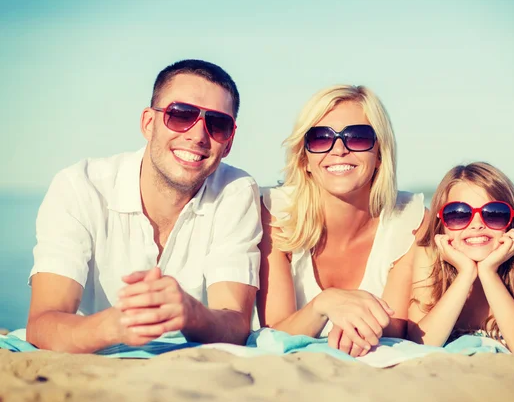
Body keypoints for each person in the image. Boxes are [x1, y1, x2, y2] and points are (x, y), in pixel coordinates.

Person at [26, 59, 262, 353]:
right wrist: (115, 325)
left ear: (228, 142)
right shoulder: (80, 186)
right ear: (148, 124)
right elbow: (42, 324)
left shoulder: (236, 192)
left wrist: (191, 313)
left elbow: (236, 325)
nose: (198, 135)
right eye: (181, 115)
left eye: (217, 124)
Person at [256, 85, 426, 357]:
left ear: (380, 155)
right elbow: (276, 333)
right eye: (321, 138)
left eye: (357, 137)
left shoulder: (410, 221)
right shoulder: (274, 214)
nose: (338, 149)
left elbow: (397, 331)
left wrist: (357, 330)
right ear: (305, 159)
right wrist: (324, 303)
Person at [408, 162, 514, 352]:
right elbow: (421, 343)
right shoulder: (429, 254)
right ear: (441, 222)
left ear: (511, 218)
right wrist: (466, 274)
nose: (477, 224)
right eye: (459, 214)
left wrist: (489, 272)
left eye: (494, 213)